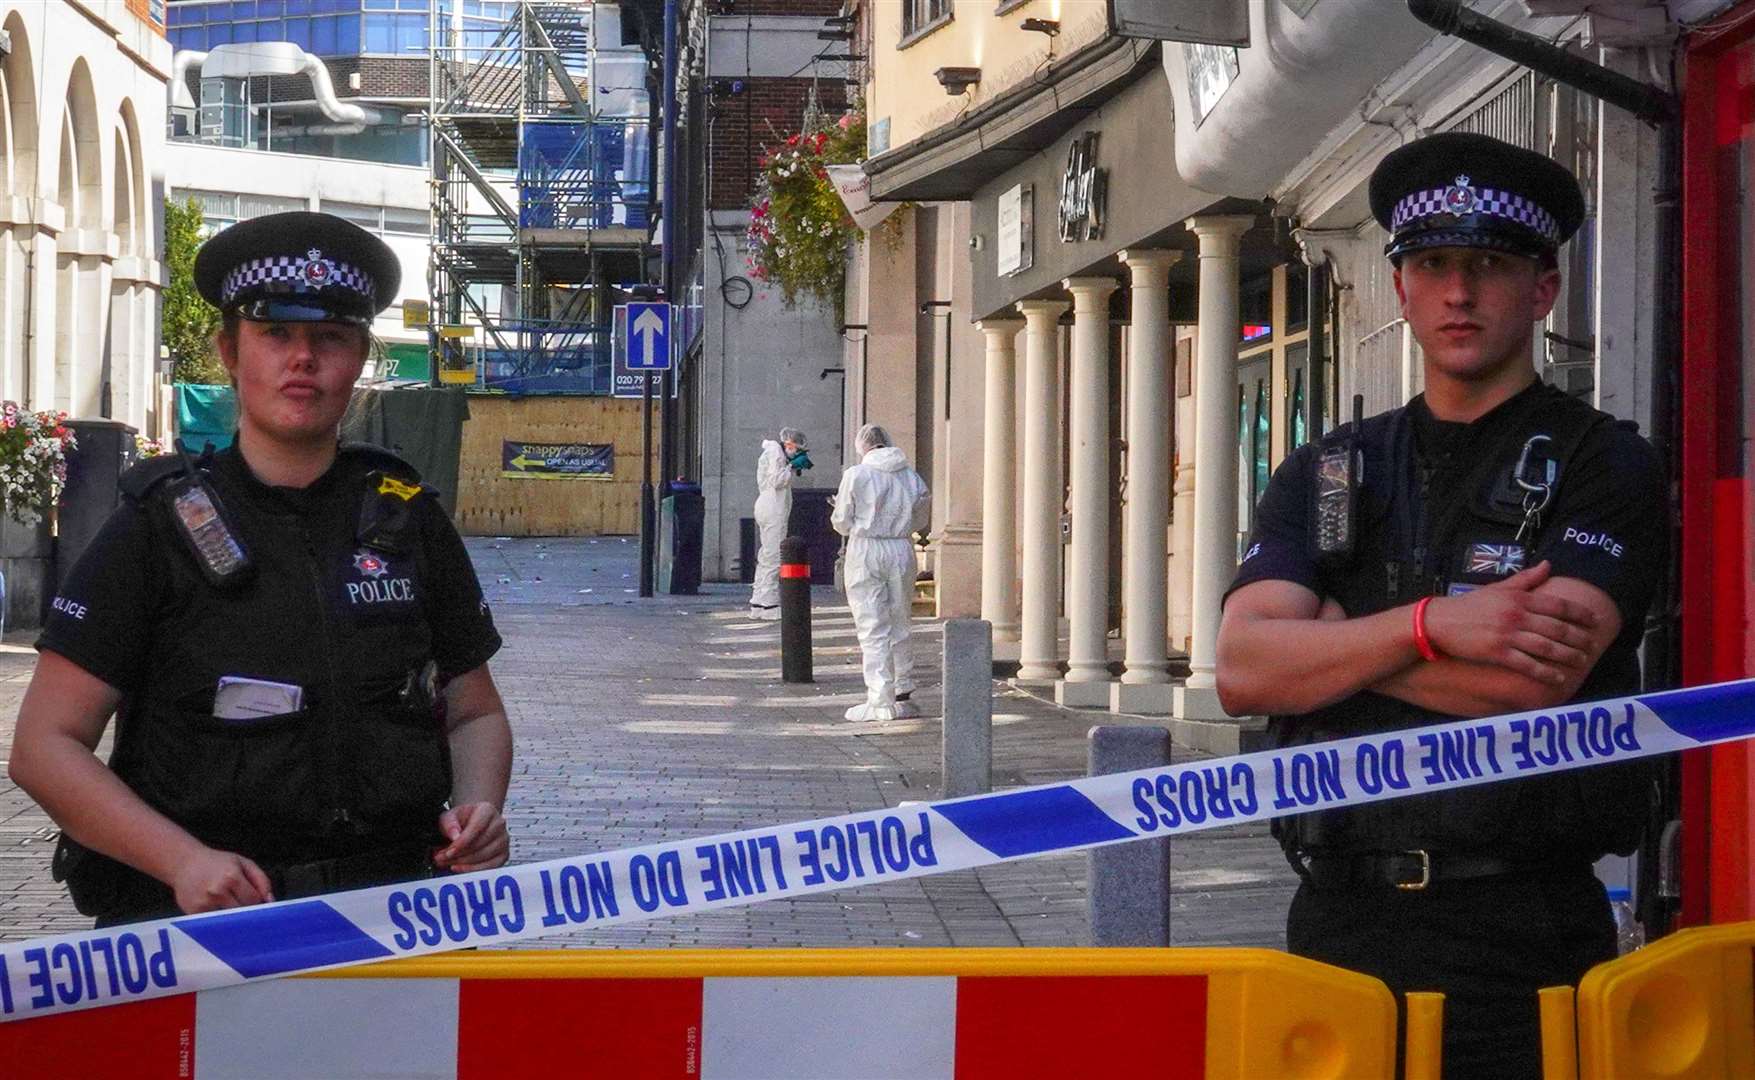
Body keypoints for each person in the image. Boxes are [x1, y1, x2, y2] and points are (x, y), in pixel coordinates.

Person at [1215, 132, 1666, 1078]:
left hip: (1518, 936)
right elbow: (1242, 669)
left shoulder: (1601, 462)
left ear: (1541, 291)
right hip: (1337, 923)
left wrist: (1336, 650)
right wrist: (1431, 626)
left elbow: (1531, 685)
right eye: (1432, 266)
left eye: (1489, 266)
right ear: (1400, 291)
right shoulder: (1329, 467)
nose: (1458, 293)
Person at [8, 211, 513, 926]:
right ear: (229, 353)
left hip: (393, 921)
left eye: (330, 338)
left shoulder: (406, 520)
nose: (302, 359)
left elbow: (475, 712)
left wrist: (477, 807)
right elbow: (43, 747)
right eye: (276, 335)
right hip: (202, 929)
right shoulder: (154, 529)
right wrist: (179, 861)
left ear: (360, 357)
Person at [832, 424, 930, 722]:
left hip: (866, 548)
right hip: (900, 548)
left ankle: (880, 698)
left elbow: (841, 519)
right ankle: (903, 689)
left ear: (862, 446)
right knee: (900, 619)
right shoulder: (910, 476)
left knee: (871, 623)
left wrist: (853, 524)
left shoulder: (857, 474)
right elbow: (920, 516)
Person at [749, 427, 810, 620]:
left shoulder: (772, 452)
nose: (796, 453)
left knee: (766, 555)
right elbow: (776, 480)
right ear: (789, 444)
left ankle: (758, 602)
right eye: (796, 449)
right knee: (774, 557)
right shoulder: (776, 452)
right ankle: (770, 605)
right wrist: (790, 467)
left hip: (766, 504)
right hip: (773, 507)